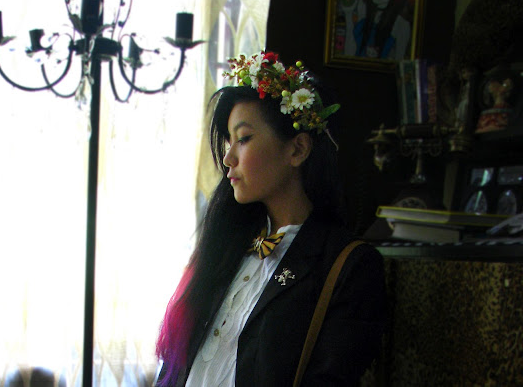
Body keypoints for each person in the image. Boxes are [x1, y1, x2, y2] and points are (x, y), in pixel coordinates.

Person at [155, 52, 387, 386]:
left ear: (297, 149)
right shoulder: (227, 245)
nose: (228, 157)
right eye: (228, 141)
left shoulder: (348, 266)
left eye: (243, 139)